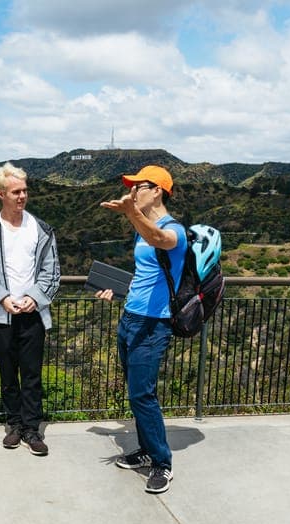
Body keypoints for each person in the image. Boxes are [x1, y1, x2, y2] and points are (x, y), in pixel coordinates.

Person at [96, 165, 187, 494]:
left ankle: (162, 462)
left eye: (139, 186)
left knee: (143, 395)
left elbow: (159, 239)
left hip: (153, 324)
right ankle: (147, 450)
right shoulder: (141, 228)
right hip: (131, 317)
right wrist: (118, 288)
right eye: (131, 187)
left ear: (158, 190)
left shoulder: (174, 229)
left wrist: (131, 211)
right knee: (136, 393)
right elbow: (147, 275)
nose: (133, 191)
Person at [0, 162, 60, 456]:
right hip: (0, 314)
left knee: (32, 374)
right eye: (15, 191)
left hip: (32, 314)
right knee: (8, 374)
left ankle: (32, 429)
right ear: (1, 194)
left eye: (24, 190)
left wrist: (35, 297)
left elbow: (51, 270)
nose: (22, 196)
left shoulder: (42, 229)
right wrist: (2, 298)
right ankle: (14, 425)